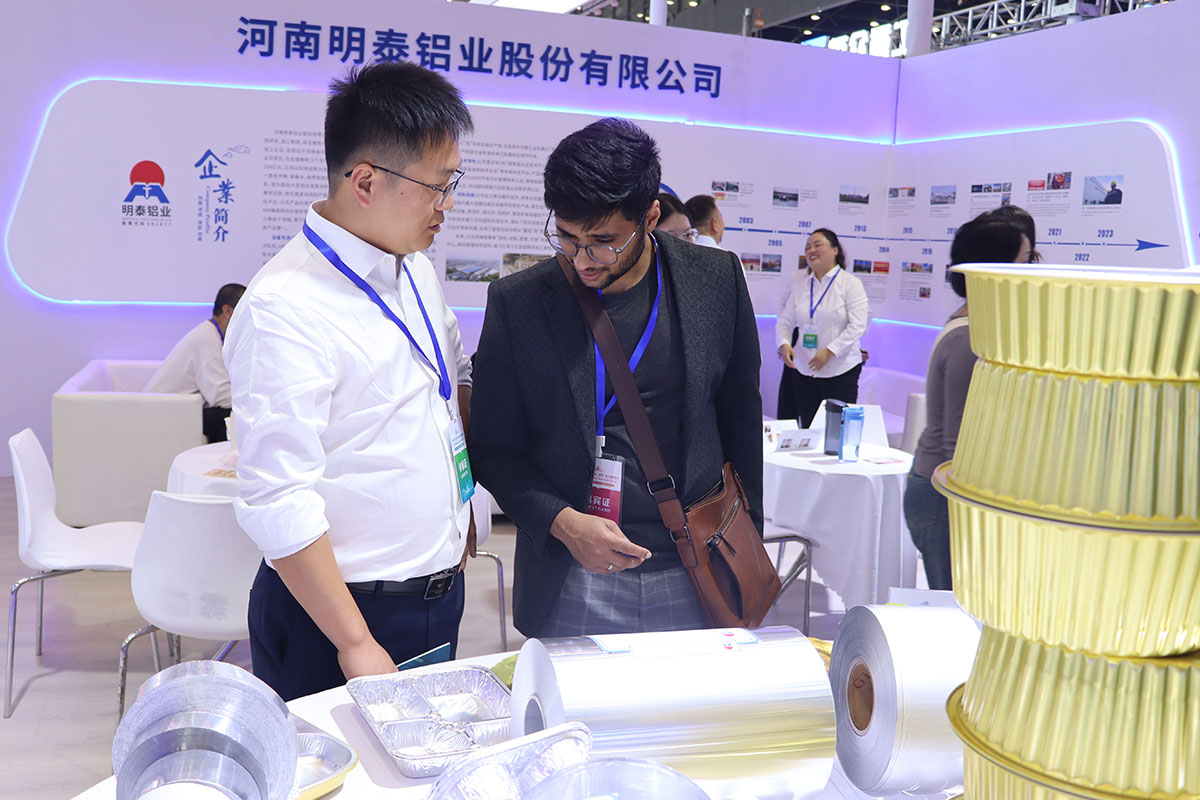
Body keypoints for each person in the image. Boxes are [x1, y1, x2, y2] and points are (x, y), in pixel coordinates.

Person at [223, 62, 476, 701]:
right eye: (437, 186)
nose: (447, 204)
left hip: (434, 592)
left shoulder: (414, 268)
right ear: (365, 181)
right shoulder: (285, 305)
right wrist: (355, 641)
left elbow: (443, 384)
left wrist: (458, 504)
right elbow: (278, 495)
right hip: (342, 618)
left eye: (452, 182)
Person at [470, 118, 763, 637]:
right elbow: (493, 449)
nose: (582, 259)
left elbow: (741, 419)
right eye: (567, 237)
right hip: (573, 574)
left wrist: (747, 540)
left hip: (696, 563)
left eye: (603, 242)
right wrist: (563, 522)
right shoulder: (520, 304)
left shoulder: (715, 281)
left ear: (650, 217)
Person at [904, 217, 1032, 590]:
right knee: (957, 604)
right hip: (943, 500)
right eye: (1025, 261)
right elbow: (957, 446)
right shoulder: (968, 337)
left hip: (947, 494)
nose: (1031, 271)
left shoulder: (979, 327)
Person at [775, 228, 869, 428]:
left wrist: (830, 351)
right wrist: (784, 343)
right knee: (809, 430)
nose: (812, 250)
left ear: (835, 250)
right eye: (808, 247)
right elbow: (786, 321)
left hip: (840, 370)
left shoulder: (850, 284)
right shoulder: (801, 285)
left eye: (818, 245)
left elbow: (857, 325)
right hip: (804, 370)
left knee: (837, 432)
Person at [146, 283, 245, 442]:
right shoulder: (207, 339)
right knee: (231, 416)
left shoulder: (210, 334)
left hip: (180, 409)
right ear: (228, 311)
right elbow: (221, 396)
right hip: (164, 413)